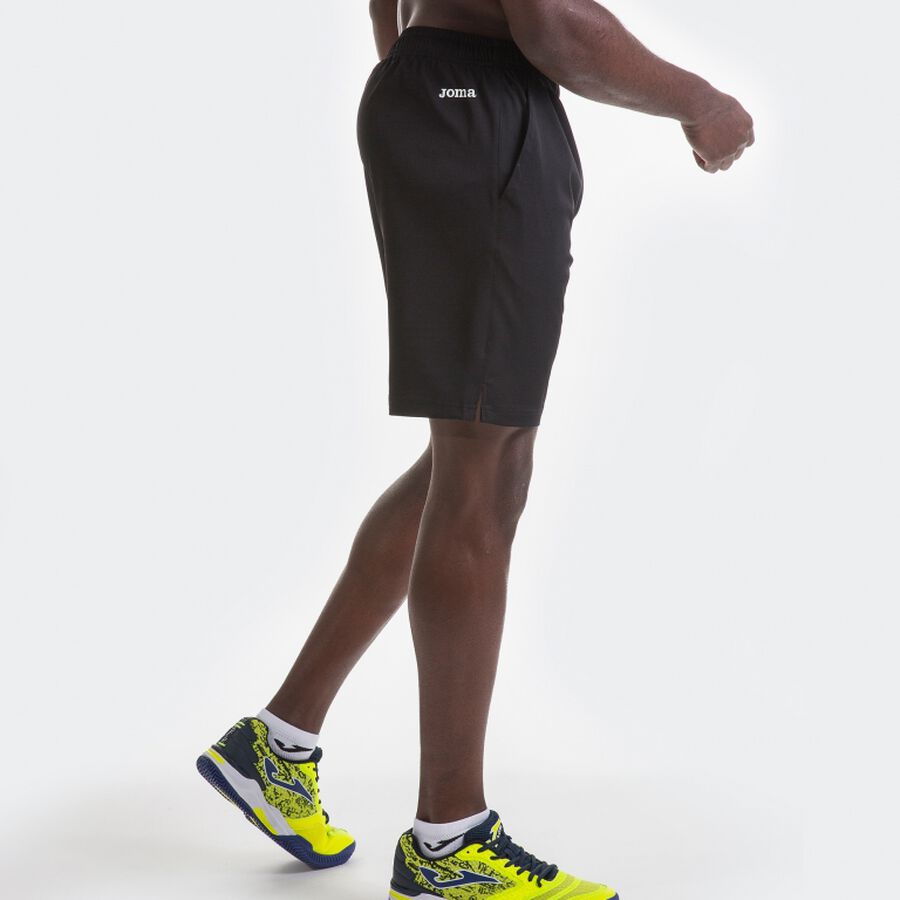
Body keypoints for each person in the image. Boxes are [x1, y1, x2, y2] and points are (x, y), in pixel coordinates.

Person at [196, 2, 754, 898]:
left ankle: (279, 742)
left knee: (475, 454)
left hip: (450, 95)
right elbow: (554, 24)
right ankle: (448, 841)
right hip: (477, 103)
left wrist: (423, 94)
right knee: (482, 467)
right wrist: (701, 100)